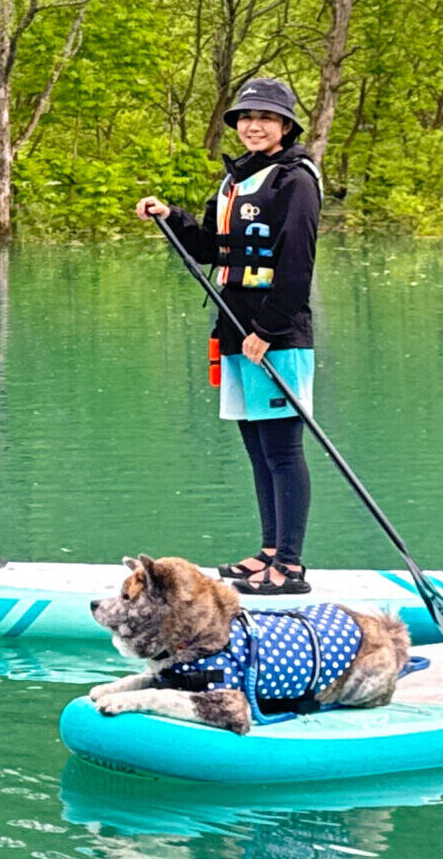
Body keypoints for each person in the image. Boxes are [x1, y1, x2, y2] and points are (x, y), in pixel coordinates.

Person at [136, 78, 324, 596]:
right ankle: (267, 552)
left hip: (274, 334)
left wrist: (269, 328)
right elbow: (210, 250)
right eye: (245, 117)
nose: (253, 126)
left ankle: (290, 565)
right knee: (256, 446)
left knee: (283, 450)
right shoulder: (236, 180)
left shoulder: (296, 180)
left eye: (265, 118)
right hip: (234, 330)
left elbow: (297, 263)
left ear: (285, 125)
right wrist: (172, 216)